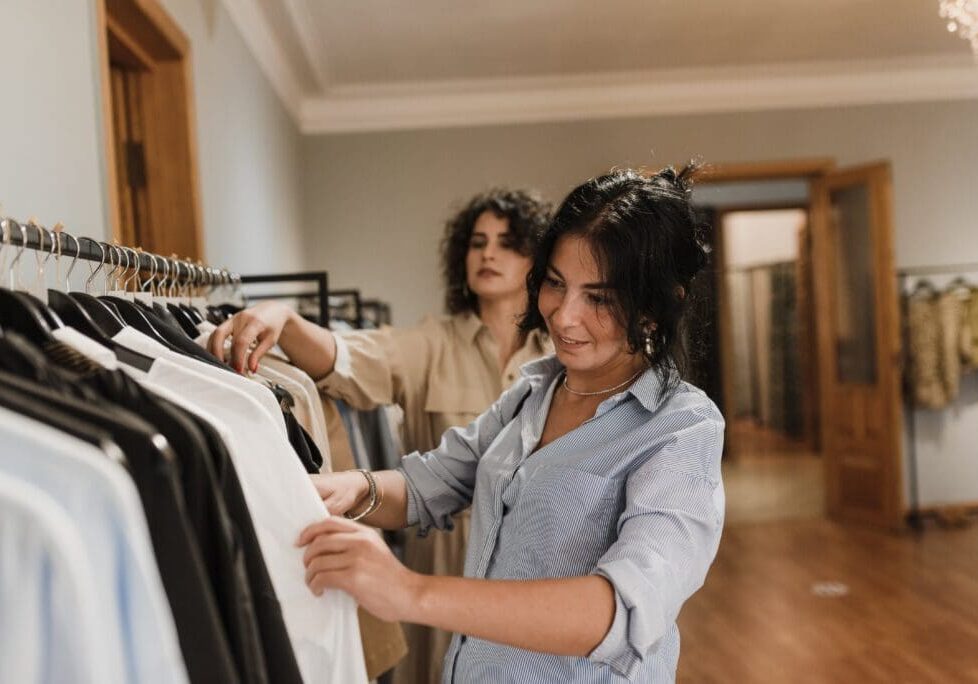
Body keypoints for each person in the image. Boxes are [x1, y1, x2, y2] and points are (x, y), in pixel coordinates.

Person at [293, 166, 726, 683]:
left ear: (658, 305)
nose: (563, 317)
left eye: (600, 298)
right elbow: (431, 483)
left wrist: (410, 591)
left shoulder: (681, 430)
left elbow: (623, 610)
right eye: (556, 285)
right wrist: (341, 488)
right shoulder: (534, 392)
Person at [208, 188, 553, 682]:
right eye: (477, 242)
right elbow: (344, 359)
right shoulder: (432, 343)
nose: (488, 253)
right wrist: (282, 318)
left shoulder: (559, 359)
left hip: (531, 575)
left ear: (536, 260)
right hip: (438, 572)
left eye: (508, 242)